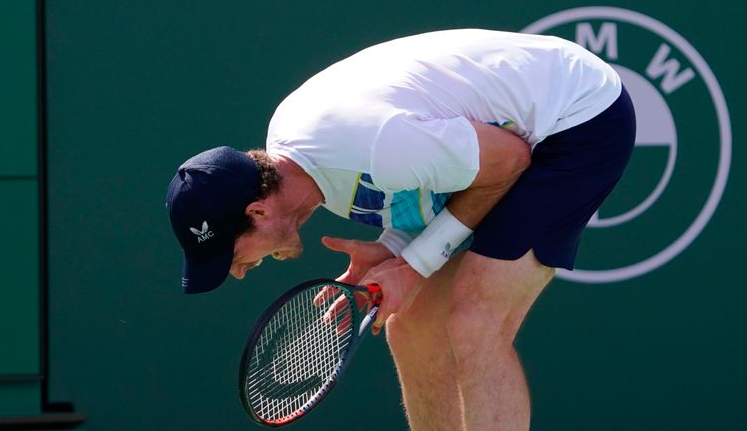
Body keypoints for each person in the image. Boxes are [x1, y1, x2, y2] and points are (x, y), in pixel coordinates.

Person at [166, 29, 635, 430]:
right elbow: (433, 184)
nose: (241, 271)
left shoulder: (377, 147)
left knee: (474, 324)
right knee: (409, 326)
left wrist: (413, 265)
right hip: (507, 134)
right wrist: (394, 246)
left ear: (259, 212)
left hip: (576, 120)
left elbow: (509, 159)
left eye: (231, 255)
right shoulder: (302, 164)